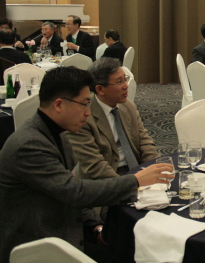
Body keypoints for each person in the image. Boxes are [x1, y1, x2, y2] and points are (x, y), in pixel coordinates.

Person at [0, 66, 173, 262]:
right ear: (59, 105)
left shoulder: (56, 132)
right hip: (38, 248)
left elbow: (67, 187)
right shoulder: (29, 145)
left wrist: (94, 225)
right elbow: (75, 192)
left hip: (64, 229)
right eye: (84, 104)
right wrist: (136, 180)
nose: (88, 112)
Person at [67, 58, 160, 180]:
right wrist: (133, 183)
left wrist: (156, 166)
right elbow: (94, 166)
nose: (126, 86)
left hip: (135, 171)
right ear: (100, 89)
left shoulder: (128, 107)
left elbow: (144, 141)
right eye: (119, 82)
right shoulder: (82, 118)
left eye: (125, 79)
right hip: (104, 180)